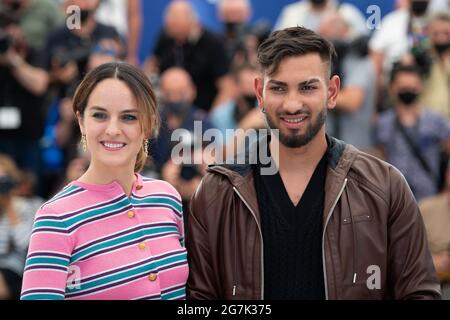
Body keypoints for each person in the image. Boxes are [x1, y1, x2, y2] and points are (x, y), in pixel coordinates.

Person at [186, 26, 441, 300]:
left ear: (332, 92)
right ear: (260, 93)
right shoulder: (216, 193)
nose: (292, 104)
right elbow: (200, 301)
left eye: (307, 87)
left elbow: (419, 292)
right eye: (279, 88)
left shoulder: (386, 186)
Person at [21, 62, 188, 300]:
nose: (112, 129)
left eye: (128, 117)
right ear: (81, 121)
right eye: (100, 115)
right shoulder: (56, 217)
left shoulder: (167, 197)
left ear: (148, 124)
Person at [376, 63, 450, 201]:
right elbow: (381, 159)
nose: (408, 90)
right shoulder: (383, 123)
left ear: (420, 87)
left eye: (413, 85)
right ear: (392, 88)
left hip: (428, 198)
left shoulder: (435, 121)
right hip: (396, 200)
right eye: (403, 86)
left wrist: (447, 188)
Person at [144, 0, 233, 112]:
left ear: (192, 22)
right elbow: (150, 65)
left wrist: (212, 118)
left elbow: (227, 87)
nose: (171, 27)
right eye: (169, 23)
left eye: (176, 23)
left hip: (202, 110)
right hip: (167, 111)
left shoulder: (212, 43)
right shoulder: (166, 36)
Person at [0, 154, 40, 300]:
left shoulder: (24, 206)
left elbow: (25, 244)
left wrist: (10, 208)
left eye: (4, 180)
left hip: (14, 268)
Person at [274, 0, 367, 38]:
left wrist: (344, 35)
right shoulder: (292, 13)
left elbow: (363, 42)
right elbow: (277, 42)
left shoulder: (346, 12)